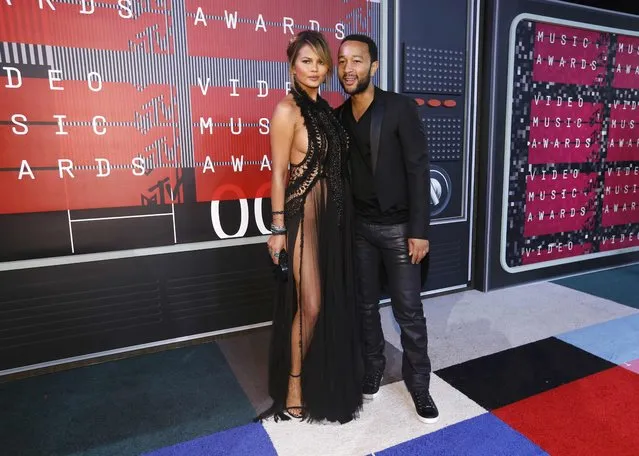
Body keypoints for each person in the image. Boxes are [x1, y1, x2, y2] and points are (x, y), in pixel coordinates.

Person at [257, 30, 363, 424]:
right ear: (291, 65)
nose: (315, 69)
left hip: (335, 219)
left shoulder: (327, 110)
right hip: (303, 218)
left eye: (321, 62)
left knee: (329, 303)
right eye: (307, 61)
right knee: (311, 305)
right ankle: (294, 384)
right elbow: (280, 174)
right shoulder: (287, 110)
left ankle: (319, 374)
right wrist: (278, 228)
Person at [335, 34, 439, 424]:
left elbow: (418, 168)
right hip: (361, 229)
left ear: (373, 66)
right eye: (343, 61)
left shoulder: (398, 108)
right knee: (365, 308)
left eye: (357, 61)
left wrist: (420, 230)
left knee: (408, 311)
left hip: (400, 229)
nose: (348, 69)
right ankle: (374, 367)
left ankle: (421, 384)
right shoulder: (340, 117)